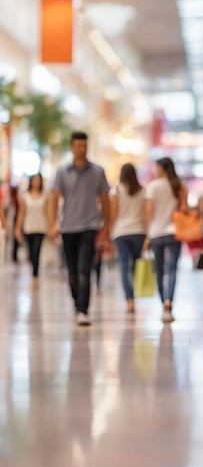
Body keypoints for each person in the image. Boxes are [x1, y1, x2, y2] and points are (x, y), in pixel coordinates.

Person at [48, 131, 110, 326]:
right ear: (72, 147)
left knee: (85, 269)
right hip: (68, 227)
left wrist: (107, 225)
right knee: (72, 272)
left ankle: (83, 310)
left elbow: (105, 200)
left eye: (84, 145)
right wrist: (52, 224)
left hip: (90, 226)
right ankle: (77, 304)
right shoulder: (62, 172)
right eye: (78, 145)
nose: (81, 149)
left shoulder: (98, 172)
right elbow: (54, 199)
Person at [144, 157, 185, 323]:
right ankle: (169, 301)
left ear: (161, 168)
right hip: (174, 231)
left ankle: (164, 303)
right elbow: (183, 208)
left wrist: (147, 234)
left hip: (156, 233)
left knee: (159, 270)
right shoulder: (178, 186)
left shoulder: (153, 186)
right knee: (173, 269)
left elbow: (149, 211)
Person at [110, 163, 146, 313]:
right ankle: (134, 294)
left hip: (121, 232)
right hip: (139, 232)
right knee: (135, 266)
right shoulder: (142, 191)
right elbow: (145, 213)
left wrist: (109, 231)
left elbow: (113, 213)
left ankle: (129, 300)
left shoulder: (116, 190)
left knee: (124, 266)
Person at [15, 174, 48, 288]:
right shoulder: (26, 196)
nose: (36, 183)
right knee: (31, 253)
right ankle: (34, 273)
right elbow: (21, 213)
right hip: (28, 228)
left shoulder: (44, 196)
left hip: (40, 228)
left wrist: (51, 226)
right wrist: (18, 228)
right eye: (34, 180)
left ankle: (36, 276)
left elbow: (47, 212)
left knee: (36, 251)